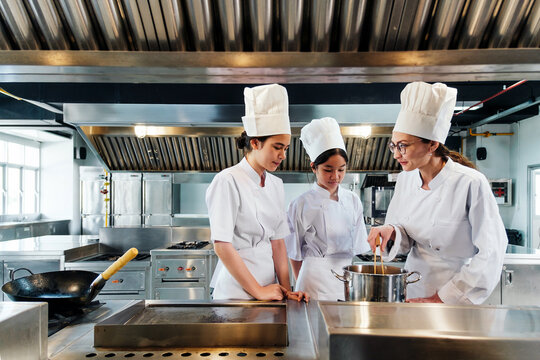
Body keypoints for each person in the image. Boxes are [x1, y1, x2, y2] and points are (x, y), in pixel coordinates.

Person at [367, 81, 508, 305]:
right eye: (394, 146)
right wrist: (391, 232)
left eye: (403, 145)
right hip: (412, 286)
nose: (396, 154)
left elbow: (491, 252)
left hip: (456, 293)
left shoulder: (469, 183)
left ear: (432, 144)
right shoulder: (405, 179)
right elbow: (404, 233)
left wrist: (441, 299)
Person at [206, 83, 308, 302]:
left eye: (286, 149)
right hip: (237, 292)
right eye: (277, 147)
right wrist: (258, 291)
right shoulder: (227, 180)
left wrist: (285, 289)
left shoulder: (276, 184)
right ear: (255, 143)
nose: (283, 155)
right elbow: (222, 245)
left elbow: (278, 243)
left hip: (270, 290)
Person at [285, 117, 370, 300]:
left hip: (346, 281)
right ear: (314, 168)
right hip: (312, 283)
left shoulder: (353, 200)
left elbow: (359, 246)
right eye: (328, 169)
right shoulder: (301, 204)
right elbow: (294, 253)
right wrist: (299, 283)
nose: (336, 176)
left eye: (341, 169)